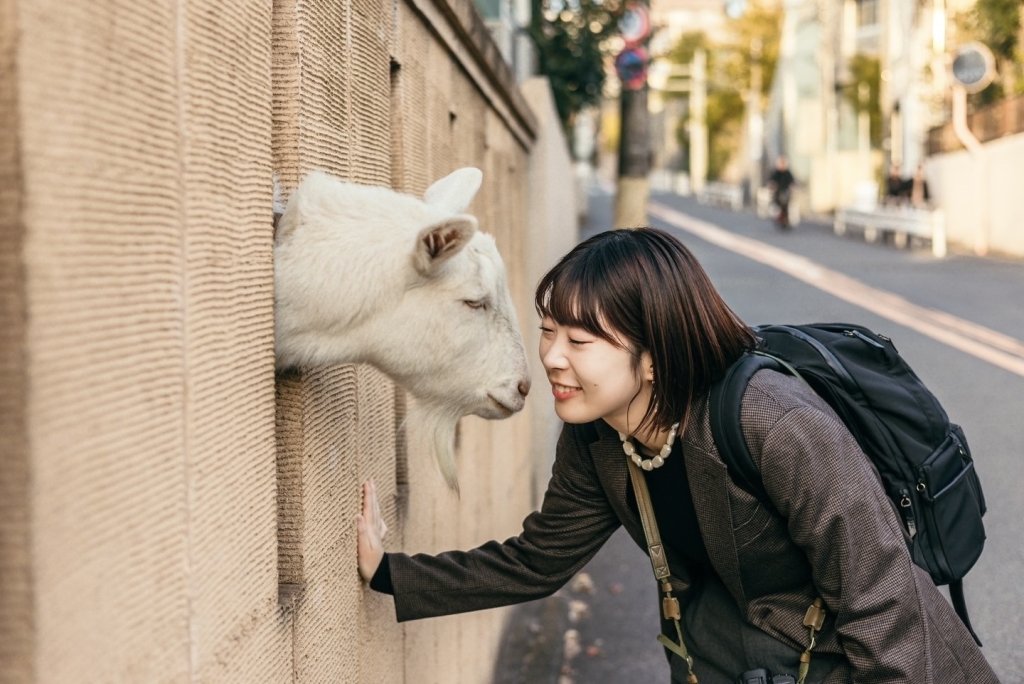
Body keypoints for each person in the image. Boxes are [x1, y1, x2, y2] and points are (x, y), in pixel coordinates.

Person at [357, 228, 998, 684]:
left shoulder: (773, 421)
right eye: (548, 330)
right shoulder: (596, 432)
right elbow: (540, 560)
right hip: (732, 663)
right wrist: (388, 571)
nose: (551, 357)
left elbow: (880, 598)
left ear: (654, 349)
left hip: (868, 664)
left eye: (580, 339)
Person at [767, 156, 796, 229]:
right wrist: (772, 185)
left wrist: (792, 186)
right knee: (777, 206)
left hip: (786, 191)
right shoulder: (776, 173)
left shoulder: (787, 173)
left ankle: (786, 221)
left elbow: (792, 181)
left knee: (786, 207)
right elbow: (771, 181)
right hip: (778, 192)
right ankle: (779, 219)